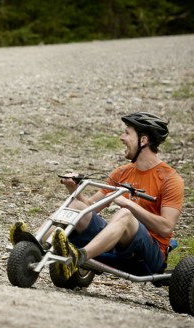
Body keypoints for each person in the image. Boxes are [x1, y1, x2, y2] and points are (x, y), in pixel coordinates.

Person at [53, 112, 184, 279]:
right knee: (76, 207)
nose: (122, 137)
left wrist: (129, 205)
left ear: (143, 141)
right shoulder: (121, 173)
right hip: (116, 246)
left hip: (149, 255)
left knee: (125, 214)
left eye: (127, 133)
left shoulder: (170, 179)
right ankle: (35, 245)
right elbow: (90, 208)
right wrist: (74, 189)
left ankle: (81, 256)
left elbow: (166, 228)